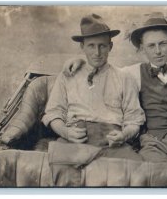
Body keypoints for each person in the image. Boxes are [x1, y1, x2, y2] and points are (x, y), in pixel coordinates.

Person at [63, 12, 167, 164]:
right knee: (149, 176)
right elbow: (104, 70)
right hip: (154, 145)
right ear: (142, 48)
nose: (157, 51)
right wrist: (81, 62)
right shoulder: (133, 73)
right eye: (151, 46)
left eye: (162, 43)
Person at [41, 13, 145, 161]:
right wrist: (65, 132)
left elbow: (134, 121)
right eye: (91, 46)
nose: (97, 53)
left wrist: (123, 135)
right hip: (75, 139)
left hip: (112, 141)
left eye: (102, 46)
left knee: (133, 170)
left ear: (110, 46)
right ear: (82, 47)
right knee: (60, 168)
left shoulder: (125, 78)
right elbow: (53, 113)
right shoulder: (68, 75)